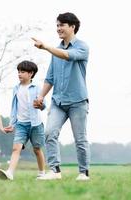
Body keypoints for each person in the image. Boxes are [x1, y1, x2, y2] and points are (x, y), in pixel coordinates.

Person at [32, 12, 90, 181]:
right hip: (58, 101)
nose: (58, 28)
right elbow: (50, 77)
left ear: (72, 27)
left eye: (62, 25)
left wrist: (46, 47)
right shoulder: (55, 51)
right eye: (57, 25)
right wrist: (41, 96)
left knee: (80, 139)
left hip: (78, 101)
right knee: (49, 133)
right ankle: (55, 171)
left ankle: (84, 172)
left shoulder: (82, 47)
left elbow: (67, 55)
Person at [0, 60, 46, 180]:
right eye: (18, 71)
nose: (19, 74)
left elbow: (44, 106)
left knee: (37, 149)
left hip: (36, 124)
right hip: (21, 124)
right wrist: (12, 124)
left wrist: (40, 105)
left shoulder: (37, 88)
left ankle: (42, 173)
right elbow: (14, 107)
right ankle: (10, 173)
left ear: (31, 74)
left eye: (22, 72)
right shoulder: (16, 88)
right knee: (16, 148)